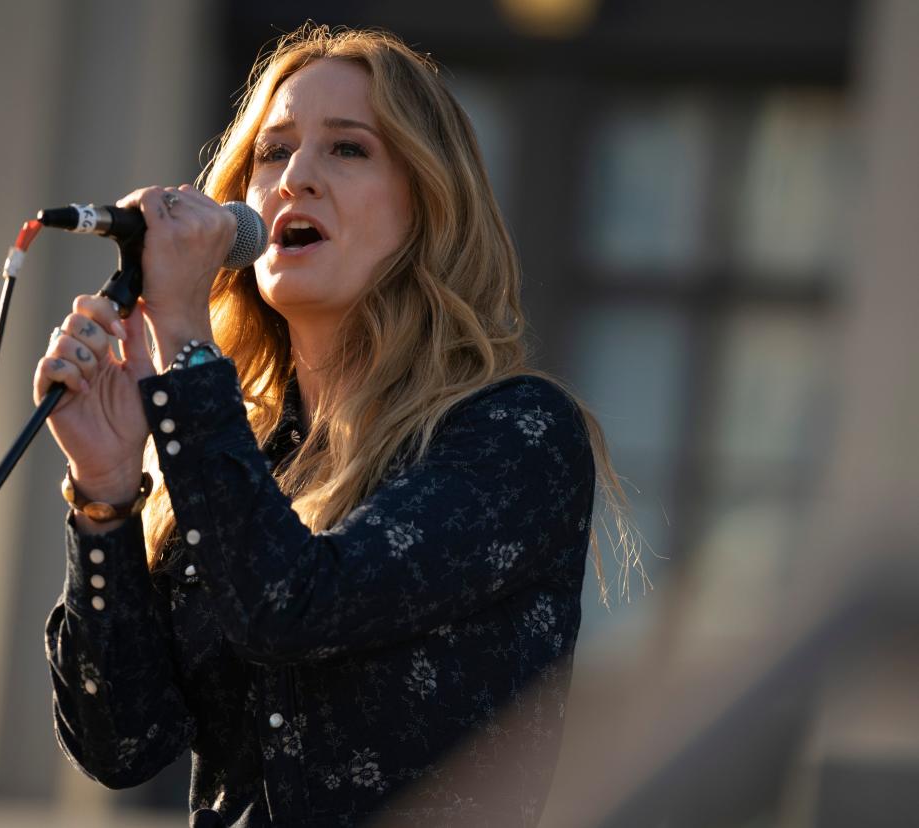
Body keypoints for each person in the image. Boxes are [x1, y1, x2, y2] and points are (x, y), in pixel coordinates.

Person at [36, 24, 637, 828]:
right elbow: (123, 744)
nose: (295, 181)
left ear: (428, 199)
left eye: (347, 150)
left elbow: (293, 606)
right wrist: (106, 495)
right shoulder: (233, 446)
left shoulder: (514, 433)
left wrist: (183, 344)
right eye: (273, 152)